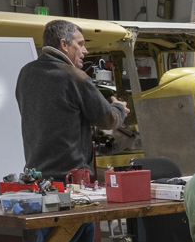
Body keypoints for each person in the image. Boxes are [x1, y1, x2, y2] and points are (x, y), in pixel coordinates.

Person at [16, 18, 125, 181]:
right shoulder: (75, 77)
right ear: (64, 45)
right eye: (80, 44)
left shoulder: (26, 73)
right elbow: (108, 120)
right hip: (71, 177)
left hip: (37, 177)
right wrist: (119, 108)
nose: (85, 51)